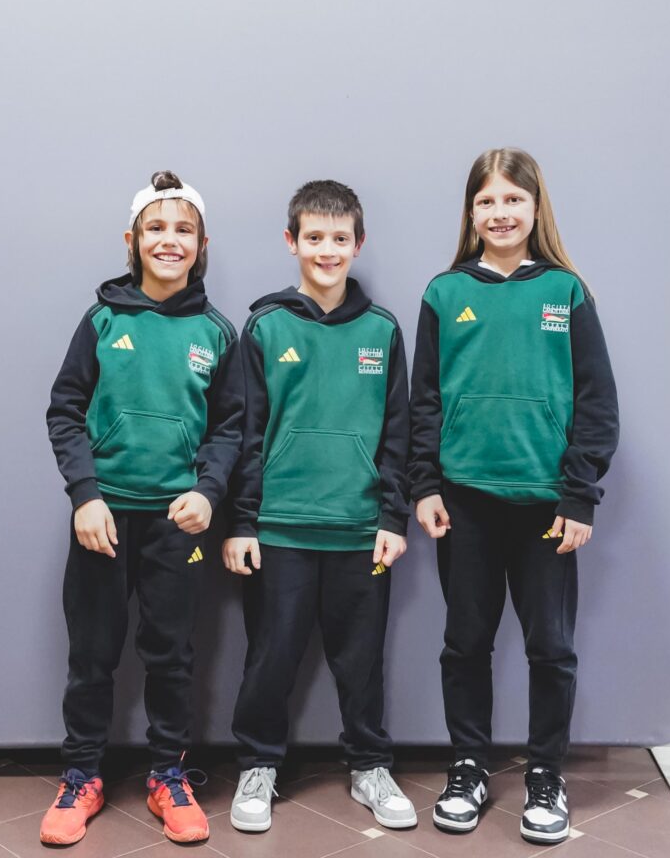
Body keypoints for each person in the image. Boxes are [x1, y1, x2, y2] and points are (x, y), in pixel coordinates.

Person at [409, 148, 618, 845]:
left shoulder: (566, 291)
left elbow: (597, 401)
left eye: (512, 200)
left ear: (535, 208)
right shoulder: (444, 293)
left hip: (546, 507)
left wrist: (579, 495)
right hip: (465, 502)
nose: (500, 213)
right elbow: (424, 401)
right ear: (471, 212)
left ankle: (546, 773)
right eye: (486, 201)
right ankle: (468, 765)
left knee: (550, 648)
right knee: (465, 642)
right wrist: (424, 485)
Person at [41, 171, 243, 846]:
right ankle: (81, 776)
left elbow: (231, 428)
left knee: (172, 655)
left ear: (201, 245)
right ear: (131, 240)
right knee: (92, 654)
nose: (169, 240)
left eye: (183, 229)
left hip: (175, 526)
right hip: (102, 520)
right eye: (156, 228)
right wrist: (85, 495)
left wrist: (208, 491)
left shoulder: (216, 332)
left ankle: (167, 775)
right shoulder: (101, 320)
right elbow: (65, 411)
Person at [223, 180, 417, 833]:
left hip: (360, 530)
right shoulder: (265, 326)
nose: (326, 250)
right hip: (278, 529)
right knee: (270, 657)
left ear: (358, 244)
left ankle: (370, 765)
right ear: (292, 242)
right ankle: (258, 765)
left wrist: (393, 517)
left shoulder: (382, 330)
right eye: (314, 238)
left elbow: (398, 435)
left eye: (339, 238)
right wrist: (241, 522)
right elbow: (246, 433)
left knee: (361, 662)